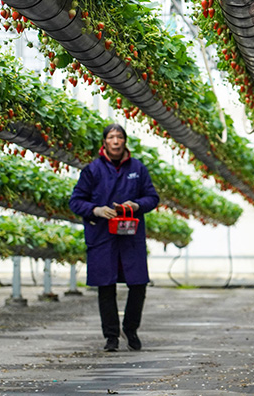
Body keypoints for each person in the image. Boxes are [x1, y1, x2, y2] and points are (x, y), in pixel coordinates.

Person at [69, 124, 159, 352]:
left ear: (125, 141)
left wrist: (136, 205)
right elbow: (76, 201)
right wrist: (96, 210)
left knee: (138, 284)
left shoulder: (137, 168)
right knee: (105, 286)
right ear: (105, 142)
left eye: (119, 137)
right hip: (103, 235)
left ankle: (131, 329)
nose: (116, 141)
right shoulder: (92, 170)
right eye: (111, 137)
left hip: (130, 236)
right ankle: (111, 336)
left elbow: (152, 197)